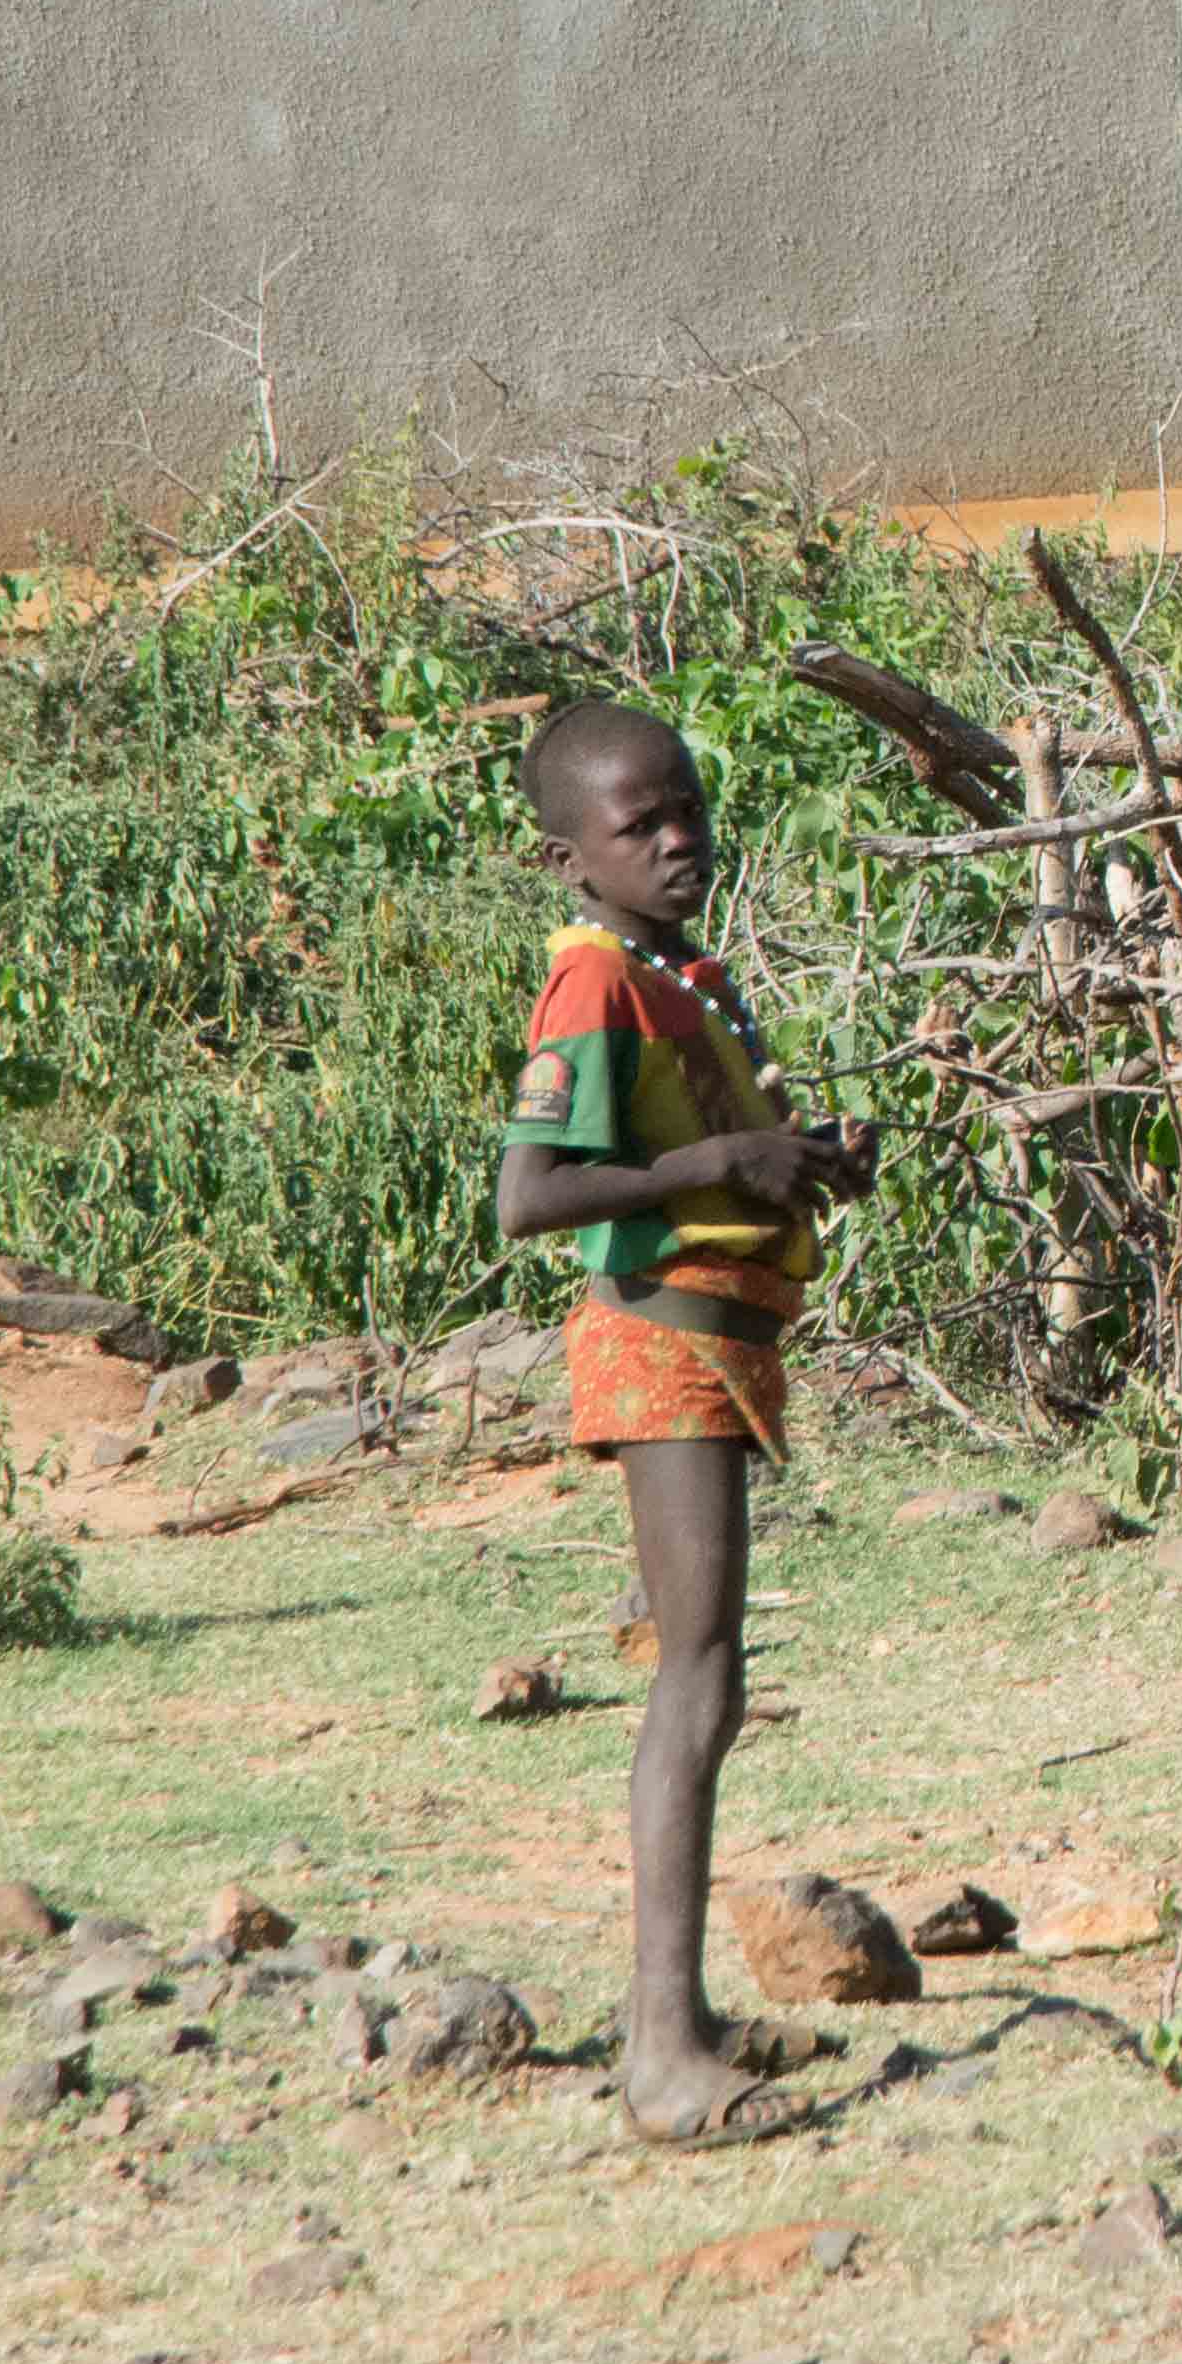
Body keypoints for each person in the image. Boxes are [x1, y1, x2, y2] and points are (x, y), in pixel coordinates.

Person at [494, 700, 878, 2142]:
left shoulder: (674, 971)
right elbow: (531, 1196)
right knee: (697, 1680)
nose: (675, 841)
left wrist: (797, 1162)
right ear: (568, 859)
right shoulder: (593, 981)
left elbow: (703, 1154)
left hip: (715, 1338)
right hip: (661, 1342)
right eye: (638, 825)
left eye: (688, 811)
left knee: (709, 1674)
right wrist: (717, 1161)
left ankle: (691, 2020)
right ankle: (660, 2053)